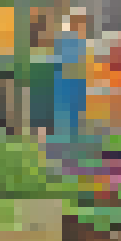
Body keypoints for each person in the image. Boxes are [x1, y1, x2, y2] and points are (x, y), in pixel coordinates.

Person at [53, 11, 90, 143]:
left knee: (76, 110)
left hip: (77, 80)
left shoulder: (80, 39)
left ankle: (74, 136)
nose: (82, 24)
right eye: (80, 20)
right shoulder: (66, 38)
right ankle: (64, 136)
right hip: (66, 80)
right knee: (65, 110)